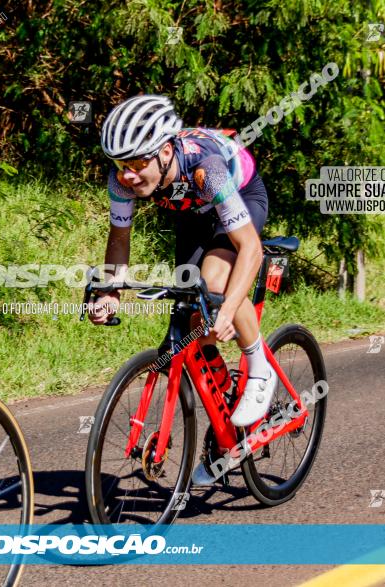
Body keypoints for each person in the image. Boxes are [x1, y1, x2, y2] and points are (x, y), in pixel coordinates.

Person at [91, 94, 277, 485]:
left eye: (138, 163)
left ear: (163, 151)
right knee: (192, 315)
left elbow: (251, 249)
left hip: (238, 195)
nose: (128, 175)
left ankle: (259, 368)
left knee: (214, 285)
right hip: (192, 212)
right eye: (120, 164)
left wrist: (228, 307)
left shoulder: (205, 169)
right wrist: (111, 290)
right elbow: (119, 240)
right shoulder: (123, 179)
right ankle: (225, 423)